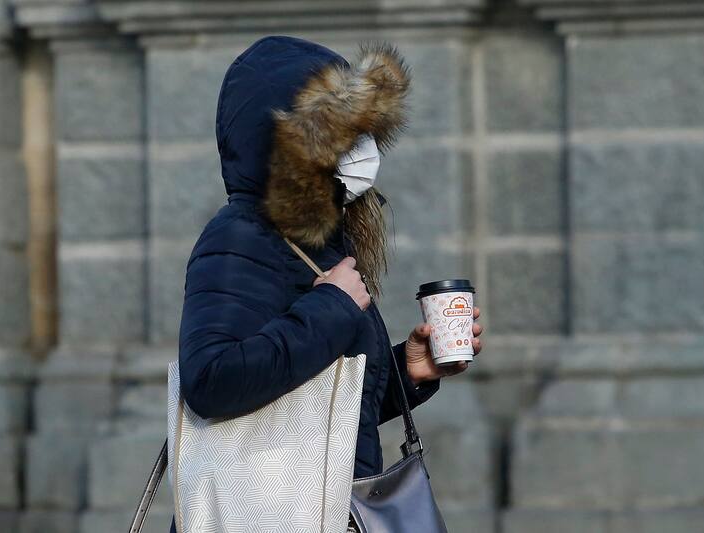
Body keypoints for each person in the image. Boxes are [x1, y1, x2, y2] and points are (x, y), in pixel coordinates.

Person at [170, 35, 482, 532]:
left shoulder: (318, 243)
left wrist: (410, 369)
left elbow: (320, 407)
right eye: (344, 133)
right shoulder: (241, 236)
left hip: (326, 510)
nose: (363, 149)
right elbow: (212, 381)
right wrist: (333, 306)